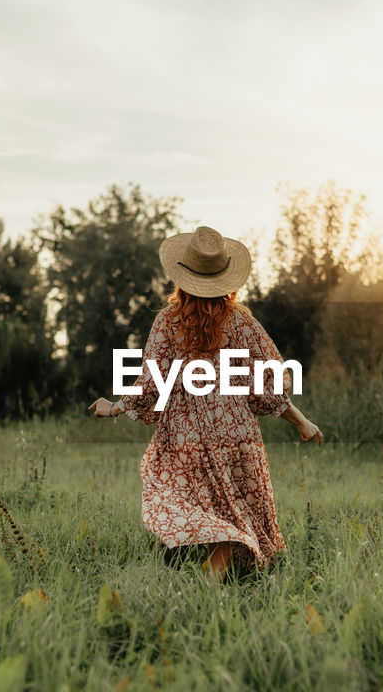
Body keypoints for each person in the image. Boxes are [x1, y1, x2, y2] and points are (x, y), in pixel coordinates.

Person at [89, 225, 322, 579]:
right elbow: (270, 386)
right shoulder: (244, 323)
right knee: (231, 512)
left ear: (181, 277)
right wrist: (302, 421)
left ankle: (204, 586)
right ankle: (205, 569)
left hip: (186, 435)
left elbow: (153, 385)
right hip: (237, 434)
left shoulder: (168, 321)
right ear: (227, 280)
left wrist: (115, 407)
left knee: (183, 501)